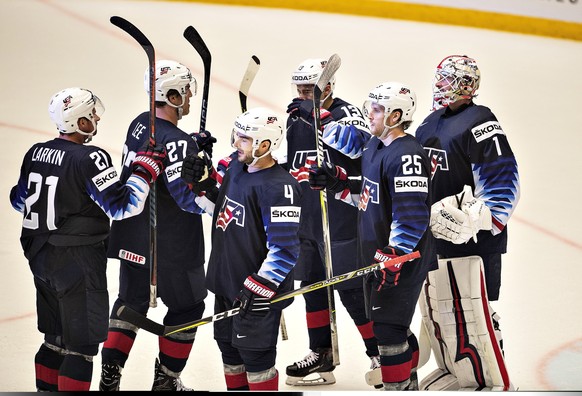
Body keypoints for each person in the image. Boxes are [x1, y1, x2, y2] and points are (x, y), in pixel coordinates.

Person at [9, 87, 165, 391]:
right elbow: (123, 206)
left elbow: (18, 200)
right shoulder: (90, 157)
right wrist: (144, 171)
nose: (96, 118)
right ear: (80, 122)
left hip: (40, 257)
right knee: (81, 346)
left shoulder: (35, 152)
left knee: (55, 339)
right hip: (77, 262)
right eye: (91, 114)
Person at [309, 82, 435, 390]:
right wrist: (339, 184)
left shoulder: (407, 155)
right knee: (390, 327)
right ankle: (410, 381)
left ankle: (399, 388)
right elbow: (369, 196)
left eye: (377, 110)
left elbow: (412, 215)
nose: (370, 114)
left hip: (399, 259)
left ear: (395, 116)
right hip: (377, 256)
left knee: (389, 330)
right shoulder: (374, 147)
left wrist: (395, 255)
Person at [99, 60, 214, 391]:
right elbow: (187, 199)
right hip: (173, 246)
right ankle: (166, 380)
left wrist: (191, 148)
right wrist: (207, 181)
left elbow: (163, 150)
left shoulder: (140, 124)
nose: (190, 97)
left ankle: (110, 378)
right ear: (174, 96)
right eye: (186, 92)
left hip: (132, 237)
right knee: (189, 307)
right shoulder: (179, 142)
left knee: (130, 303)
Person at [414, 55, 520, 390]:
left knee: (478, 312)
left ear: (467, 85)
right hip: (436, 235)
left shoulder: (481, 121)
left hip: (474, 241)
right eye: (440, 78)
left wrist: (479, 218)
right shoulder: (428, 123)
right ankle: (457, 371)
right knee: (441, 308)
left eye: (449, 80)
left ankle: (492, 376)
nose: (441, 86)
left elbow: (503, 179)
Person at [182, 107, 302, 391]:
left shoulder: (280, 188)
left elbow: (285, 249)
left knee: (257, 362)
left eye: (244, 139)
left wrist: (259, 285)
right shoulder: (236, 168)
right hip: (226, 286)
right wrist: (203, 184)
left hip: (255, 296)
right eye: (237, 135)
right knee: (230, 356)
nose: (236, 143)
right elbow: (223, 210)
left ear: (265, 145)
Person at [283, 57, 379, 387]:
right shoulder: (295, 118)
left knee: (351, 288)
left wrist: (322, 121)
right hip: (307, 219)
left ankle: (378, 352)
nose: (303, 95)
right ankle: (321, 354)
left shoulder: (345, 112)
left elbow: (364, 149)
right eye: (300, 89)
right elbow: (290, 162)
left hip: (340, 218)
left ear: (327, 88)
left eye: (310, 89)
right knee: (311, 287)